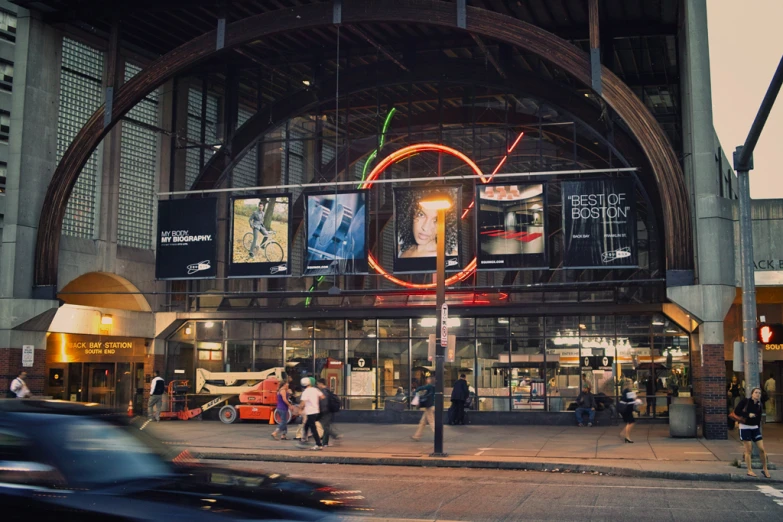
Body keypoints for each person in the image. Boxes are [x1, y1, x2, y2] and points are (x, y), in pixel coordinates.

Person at [397, 190, 458, 259]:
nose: (425, 228)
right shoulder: (399, 250)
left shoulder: (450, 257)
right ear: (410, 214)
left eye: (436, 220)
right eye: (421, 214)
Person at [734, 388, 771, 478]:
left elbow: (759, 417)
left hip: (755, 428)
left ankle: (765, 469)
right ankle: (749, 470)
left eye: (759, 393)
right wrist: (747, 415)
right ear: (752, 394)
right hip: (745, 427)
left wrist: (758, 426)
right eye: (756, 393)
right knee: (749, 450)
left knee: (762, 449)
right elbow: (737, 411)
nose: (758, 394)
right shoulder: (745, 401)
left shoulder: (759, 404)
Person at [298, 377, 324, 450]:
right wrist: (315, 401)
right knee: (306, 425)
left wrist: (300, 410)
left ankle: (318, 444)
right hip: (316, 411)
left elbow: (303, 402)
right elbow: (322, 397)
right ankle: (304, 440)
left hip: (310, 412)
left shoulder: (306, 392)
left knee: (313, 428)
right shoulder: (315, 389)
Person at [316, 379, 340, 447]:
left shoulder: (324, 392)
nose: (318, 386)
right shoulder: (328, 390)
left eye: (318, 384)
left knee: (325, 427)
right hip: (328, 411)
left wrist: (321, 411)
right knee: (325, 426)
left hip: (325, 411)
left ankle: (331, 438)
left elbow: (324, 403)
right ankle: (325, 441)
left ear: (321, 384)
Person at [411, 376, 436, 441]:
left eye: (428, 379)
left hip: (429, 407)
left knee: (431, 422)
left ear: (430, 380)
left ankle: (438, 436)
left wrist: (415, 391)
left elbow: (420, 388)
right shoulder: (434, 387)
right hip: (431, 406)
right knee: (422, 422)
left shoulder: (430, 386)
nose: (426, 380)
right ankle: (417, 436)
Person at [271, 374, 292, 440]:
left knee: (284, 422)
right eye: (287, 384)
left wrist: (289, 393)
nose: (288, 385)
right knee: (283, 422)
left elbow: (287, 397)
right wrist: (289, 405)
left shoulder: (283, 390)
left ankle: (283, 435)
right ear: (284, 384)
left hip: (282, 408)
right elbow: (284, 399)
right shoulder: (282, 390)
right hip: (282, 408)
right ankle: (275, 433)